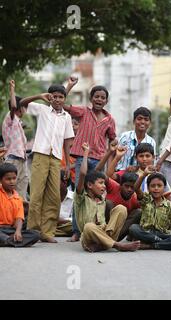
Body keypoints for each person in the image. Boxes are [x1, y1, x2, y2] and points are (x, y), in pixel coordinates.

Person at [20, 85, 75, 243]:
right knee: (37, 194)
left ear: (65, 99)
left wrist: (68, 165)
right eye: (54, 96)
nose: (57, 99)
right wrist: (39, 95)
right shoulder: (43, 109)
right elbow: (21, 103)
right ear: (50, 97)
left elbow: (67, 142)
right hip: (40, 155)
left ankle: (47, 232)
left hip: (56, 158)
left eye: (60, 97)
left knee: (54, 196)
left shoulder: (67, 117)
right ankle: (33, 231)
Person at [62, 85, 117, 241]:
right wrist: (69, 86)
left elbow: (113, 138)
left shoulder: (110, 119)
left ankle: (99, 227)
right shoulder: (83, 112)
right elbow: (64, 105)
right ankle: (76, 231)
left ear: (106, 101)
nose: (99, 99)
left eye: (102, 97)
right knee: (80, 193)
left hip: (100, 159)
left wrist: (114, 146)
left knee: (100, 193)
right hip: (82, 157)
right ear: (91, 98)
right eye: (96, 96)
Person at [75, 142, 140, 252]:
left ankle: (104, 244)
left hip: (106, 232)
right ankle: (116, 245)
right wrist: (86, 153)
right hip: (90, 236)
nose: (104, 186)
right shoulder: (81, 197)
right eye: (100, 183)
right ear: (90, 185)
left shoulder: (102, 200)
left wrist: (110, 152)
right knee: (89, 226)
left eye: (104, 183)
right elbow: (83, 174)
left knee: (121, 208)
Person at [129, 171, 171, 250]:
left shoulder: (169, 205)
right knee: (133, 228)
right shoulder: (146, 199)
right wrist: (144, 174)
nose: (156, 188)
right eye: (153, 186)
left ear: (164, 188)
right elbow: (136, 188)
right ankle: (161, 243)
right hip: (146, 232)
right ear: (148, 188)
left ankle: (151, 245)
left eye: (159, 186)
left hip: (162, 234)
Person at [0, 163, 40, 247]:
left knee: (36, 235)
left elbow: (19, 217)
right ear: (1, 180)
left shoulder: (18, 198)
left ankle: (7, 240)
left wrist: (18, 231)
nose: (11, 181)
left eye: (14, 178)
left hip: (10, 229)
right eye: (8, 179)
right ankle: (10, 240)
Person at [2, 80, 28, 200]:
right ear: (21, 107)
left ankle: (20, 215)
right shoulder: (10, 117)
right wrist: (12, 88)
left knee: (21, 191)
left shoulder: (17, 121)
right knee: (10, 191)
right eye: (24, 107)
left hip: (21, 160)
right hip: (13, 160)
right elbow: (13, 106)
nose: (26, 110)